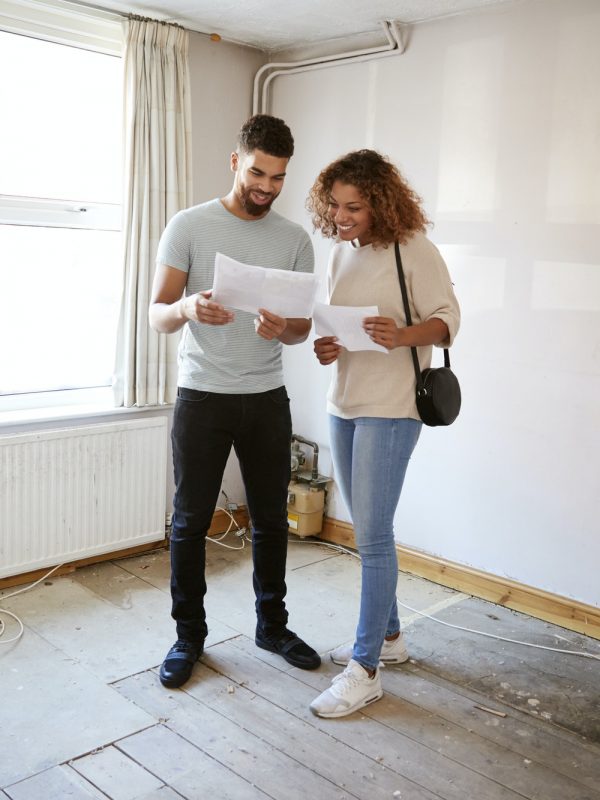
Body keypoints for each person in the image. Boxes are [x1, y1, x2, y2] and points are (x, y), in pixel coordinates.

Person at [149, 114, 321, 689]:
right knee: (191, 521)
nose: (267, 187)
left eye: (278, 177)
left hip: (266, 396)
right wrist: (188, 309)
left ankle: (272, 626)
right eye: (257, 172)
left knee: (272, 518)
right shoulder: (189, 225)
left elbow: (301, 328)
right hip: (202, 396)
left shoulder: (294, 239)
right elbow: (158, 313)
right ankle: (188, 636)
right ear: (235, 161)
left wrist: (286, 331)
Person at [306, 149, 460, 718]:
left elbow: (448, 321)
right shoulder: (339, 253)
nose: (342, 218)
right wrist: (326, 346)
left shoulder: (414, 249)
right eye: (335, 206)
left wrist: (402, 336)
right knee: (364, 527)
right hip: (343, 400)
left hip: (393, 406)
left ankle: (365, 668)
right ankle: (391, 638)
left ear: (382, 202)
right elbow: (333, 326)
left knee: (372, 535)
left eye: (355, 207)